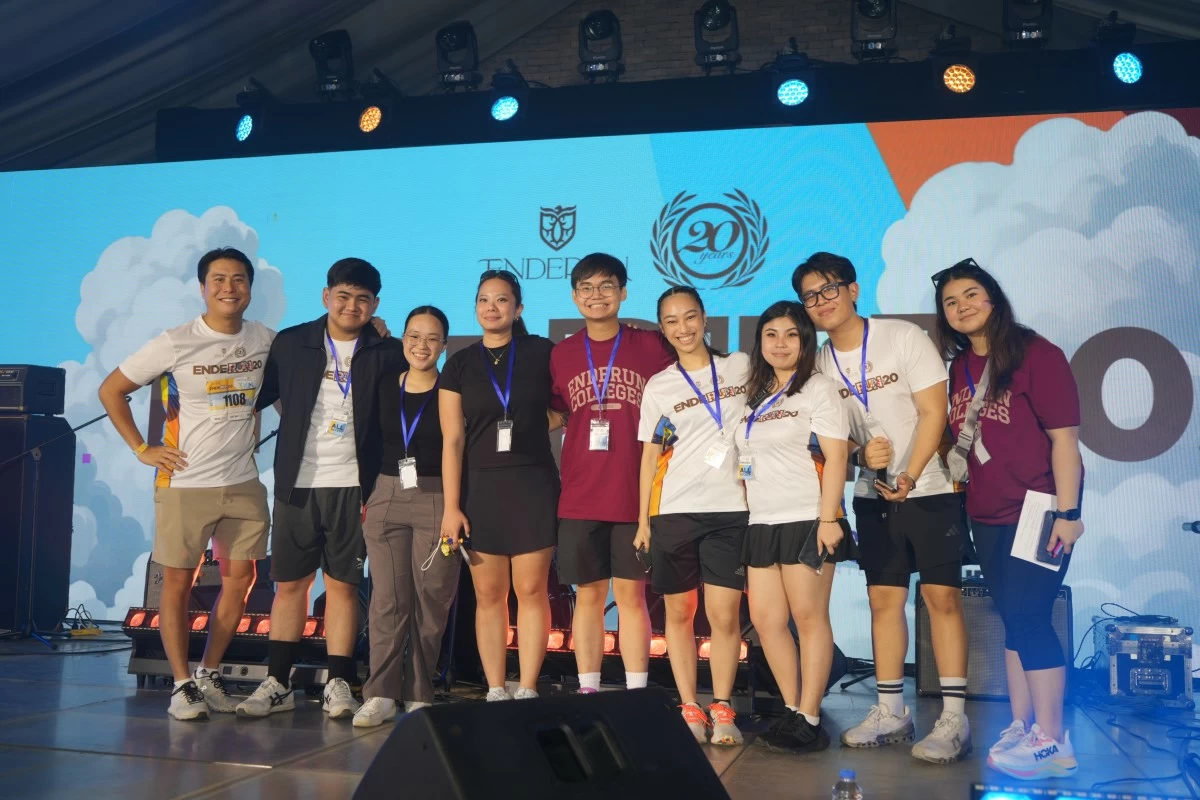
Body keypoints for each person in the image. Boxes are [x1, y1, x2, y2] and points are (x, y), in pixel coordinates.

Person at [793, 252, 972, 764]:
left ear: (852, 289)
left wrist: (911, 473)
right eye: (810, 296)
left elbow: (934, 410)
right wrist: (858, 455)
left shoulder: (902, 337)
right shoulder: (819, 364)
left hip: (931, 490)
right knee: (883, 604)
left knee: (942, 601)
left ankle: (953, 719)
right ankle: (892, 710)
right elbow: (826, 440)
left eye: (829, 289)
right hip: (873, 497)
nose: (821, 302)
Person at [98, 247, 273, 720]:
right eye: (218, 279)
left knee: (241, 580)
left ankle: (208, 673)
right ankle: (180, 685)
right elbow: (111, 390)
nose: (229, 288)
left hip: (243, 483)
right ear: (202, 288)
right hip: (184, 482)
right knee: (177, 582)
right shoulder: (175, 342)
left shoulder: (265, 340)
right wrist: (143, 449)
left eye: (238, 279)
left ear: (249, 288)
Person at [238, 258, 406, 720]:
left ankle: (338, 683)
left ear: (375, 305)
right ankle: (277, 682)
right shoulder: (292, 343)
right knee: (289, 585)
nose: (352, 305)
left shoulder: (387, 352)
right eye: (344, 295)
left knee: (343, 587)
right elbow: (266, 394)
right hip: (298, 483)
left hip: (356, 486)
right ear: (326, 296)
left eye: (363, 299)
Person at [935, 259, 1083, 780]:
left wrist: (1070, 512)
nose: (962, 307)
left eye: (971, 295)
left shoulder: (1038, 355)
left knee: (1029, 617)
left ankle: (1054, 740)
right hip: (987, 514)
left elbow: (1065, 440)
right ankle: (1024, 725)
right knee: (1012, 621)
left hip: (1040, 509)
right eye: (951, 302)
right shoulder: (958, 368)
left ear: (993, 298)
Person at [549, 253, 674, 695]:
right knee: (588, 595)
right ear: (574, 296)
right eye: (586, 288)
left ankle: (637, 690)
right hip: (581, 495)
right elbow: (552, 412)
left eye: (606, 287)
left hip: (635, 495)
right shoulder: (561, 354)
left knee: (632, 597)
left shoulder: (653, 346)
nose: (596, 296)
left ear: (623, 292)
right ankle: (588, 689)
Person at [734, 301, 856, 754]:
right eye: (771, 334)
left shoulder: (819, 389)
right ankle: (792, 709)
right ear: (760, 341)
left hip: (808, 516)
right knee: (767, 622)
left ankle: (809, 714)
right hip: (762, 520)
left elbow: (838, 456)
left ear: (805, 342)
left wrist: (829, 518)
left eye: (791, 334)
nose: (780, 343)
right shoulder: (754, 394)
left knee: (809, 618)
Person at [635, 285, 750, 746]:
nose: (682, 328)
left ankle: (721, 706)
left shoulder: (740, 366)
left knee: (724, 616)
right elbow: (648, 457)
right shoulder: (659, 385)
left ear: (705, 318)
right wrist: (644, 519)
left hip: (731, 509)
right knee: (680, 613)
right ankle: (688, 705)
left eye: (689, 317)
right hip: (675, 510)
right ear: (663, 329)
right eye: (671, 321)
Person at [440, 269, 558, 702]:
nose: (492, 307)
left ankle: (526, 685)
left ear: (518, 308)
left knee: (530, 591)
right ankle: (494, 686)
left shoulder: (542, 352)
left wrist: (542, 423)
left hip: (533, 485)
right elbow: (452, 440)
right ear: (475, 308)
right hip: (481, 489)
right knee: (489, 595)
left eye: (502, 300)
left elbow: (569, 405)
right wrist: (452, 507)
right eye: (484, 300)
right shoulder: (458, 364)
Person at [353, 306, 461, 728]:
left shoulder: (454, 390)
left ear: (445, 345)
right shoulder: (383, 386)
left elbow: (457, 447)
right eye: (414, 336)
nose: (422, 345)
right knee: (387, 601)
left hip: (436, 497)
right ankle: (379, 693)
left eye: (432, 338)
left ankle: (419, 693)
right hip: (386, 494)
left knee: (430, 599)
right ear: (402, 339)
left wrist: (455, 506)